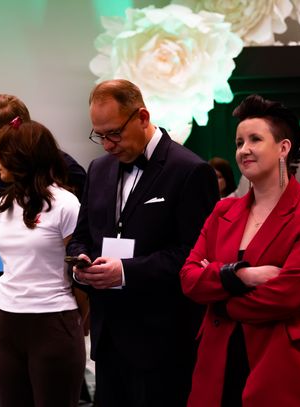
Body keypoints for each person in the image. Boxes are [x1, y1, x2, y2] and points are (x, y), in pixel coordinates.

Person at [180, 94, 300, 406]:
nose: (244, 149)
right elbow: (189, 278)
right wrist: (241, 276)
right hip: (221, 359)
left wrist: (222, 302)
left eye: (255, 139)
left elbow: (288, 294)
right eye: (239, 142)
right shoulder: (223, 211)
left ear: (283, 148)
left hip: (285, 365)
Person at [67, 79, 220, 407]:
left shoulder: (191, 170)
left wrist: (125, 272)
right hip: (109, 337)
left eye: (114, 133)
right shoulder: (98, 169)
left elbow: (194, 256)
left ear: (142, 117)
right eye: (99, 135)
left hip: (163, 341)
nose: (107, 145)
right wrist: (80, 264)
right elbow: (82, 236)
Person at [0, 94, 86, 407]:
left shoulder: (66, 199)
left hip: (53, 315)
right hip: (8, 314)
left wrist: (76, 317)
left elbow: (79, 264)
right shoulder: (4, 197)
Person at [231, 155, 300, 200]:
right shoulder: (247, 176)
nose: (245, 149)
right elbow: (235, 198)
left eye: (256, 140)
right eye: (240, 143)